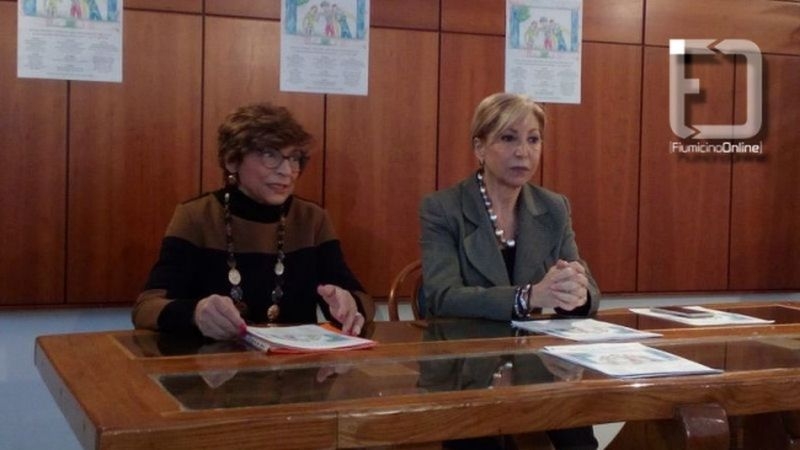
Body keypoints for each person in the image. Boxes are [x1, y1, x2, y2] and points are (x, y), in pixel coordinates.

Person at [419, 92, 599, 449]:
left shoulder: (554, 207)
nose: (523, 152)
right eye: (508, 138)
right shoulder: (443, 208)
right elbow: (441, 296)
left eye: (533, 139)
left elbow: (588, 287)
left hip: (537, 362)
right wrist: (527, 296)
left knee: (579, 437)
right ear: (480, 147)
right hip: (465, 367)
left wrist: (575, 293)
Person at [133, 103, 373, 340]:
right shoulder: (195, 216)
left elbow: (362, 300)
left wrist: (350, 305)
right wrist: (195, 314)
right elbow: (146, 308)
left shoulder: (312, 219)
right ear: (232, 160)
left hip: (294, 362)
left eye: (294, 158)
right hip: (212, 360)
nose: (287, 171)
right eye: (270, 155)